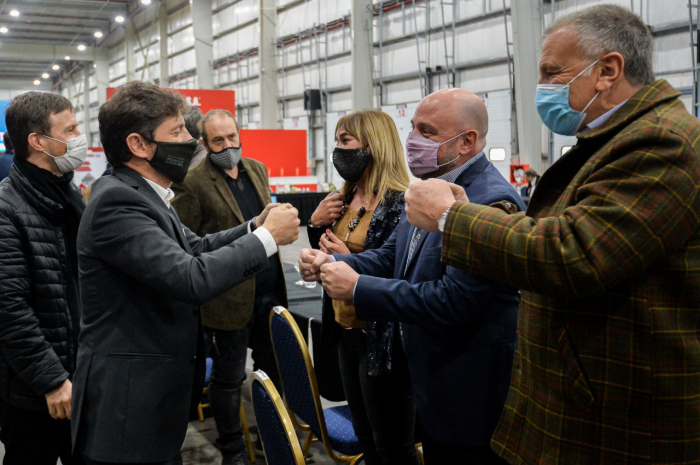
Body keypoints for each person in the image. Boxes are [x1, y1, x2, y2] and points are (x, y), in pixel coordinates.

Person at [402, 5, 700, 464]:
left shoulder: (662, 142)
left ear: (608, 70)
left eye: (552, 72)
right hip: (581, 401)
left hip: (619, 422)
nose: (542, 87)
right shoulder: (612, 142)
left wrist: (451, 218)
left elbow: (572, 254)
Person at [71, 81, 300, 465]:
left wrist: (252, 227)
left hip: (151, 399)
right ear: (138, 145)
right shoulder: (118, 201)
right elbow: (190, 277)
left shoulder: (145, 194)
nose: (189, 139)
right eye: (177, 132)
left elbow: (194, 246)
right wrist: (265, 240)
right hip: (128, 408)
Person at [299, 89, 524, 465]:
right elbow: (393, 257)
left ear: (467, 141)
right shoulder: (425, 189)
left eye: (427, 131)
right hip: (431, 376)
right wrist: (333, 265)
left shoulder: (489, 201)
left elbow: (456, 299)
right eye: (412, 128)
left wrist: (357, 287)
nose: (412, 141)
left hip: (467, 388)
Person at [171, 109, 287, 465]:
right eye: (218, 140)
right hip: (227, 297)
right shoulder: (191, 182)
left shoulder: (257, 169)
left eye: (232, 138)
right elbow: (188, 246)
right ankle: (232, 448)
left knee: (272, 370)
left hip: (269, 289)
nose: (227, 146)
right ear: (204, 143)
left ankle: (272, 437)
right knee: (228, 377)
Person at [305, 109, 419, 465]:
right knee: (366, 436)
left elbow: (398, 269)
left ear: (374, 146)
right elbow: (327, 252)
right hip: (346, 333)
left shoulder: (401, 203)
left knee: (392, 445)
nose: (338, 150)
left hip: (381, 340)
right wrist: (315, 228)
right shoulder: (341, 199)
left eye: (345, 141)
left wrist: (346, 259)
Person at [0, 92, 87, 464]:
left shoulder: (66, 193)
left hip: (79, 376)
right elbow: (8, 308)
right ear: (37, 141)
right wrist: (51, 380)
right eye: (70, 129)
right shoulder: (7, 209)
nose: (80, 136)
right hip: (37, 392)